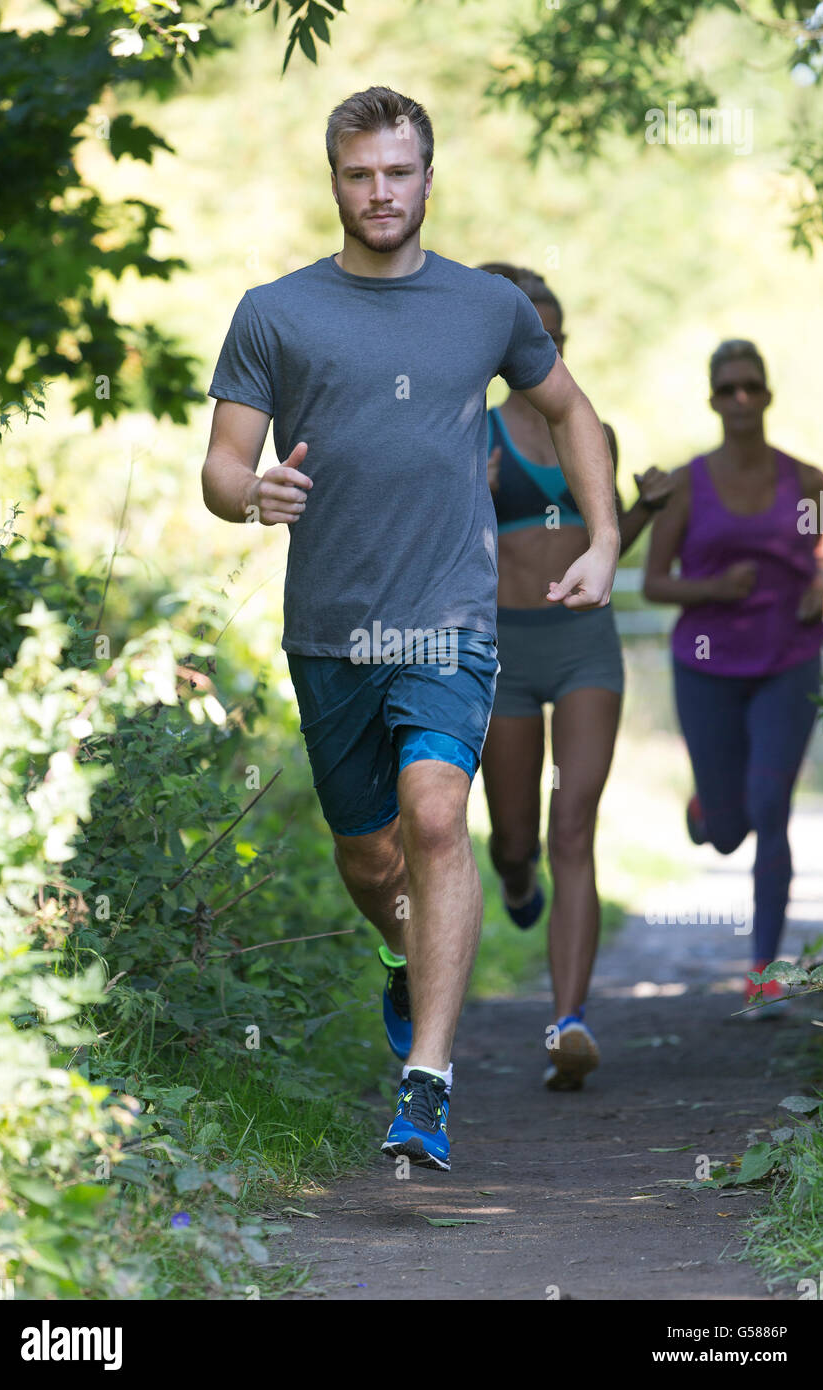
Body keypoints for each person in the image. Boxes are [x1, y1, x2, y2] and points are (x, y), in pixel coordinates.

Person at [201, 86, 619, 1170]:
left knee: (435, 817)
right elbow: (218, 463)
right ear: (333, 179)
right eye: (358, 173)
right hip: (330, 625)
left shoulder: (484, 306)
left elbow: (569, 410)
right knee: (365, 847)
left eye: (397, 171)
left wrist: (604, 539)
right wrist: (253, 495)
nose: (378, 192)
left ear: (429, 178)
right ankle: (403, 952)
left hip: (446, 617)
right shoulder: (274, 311)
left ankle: (424, 1082)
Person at [477, 263, 672, 1088]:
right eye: (532, 332)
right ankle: (514, 878)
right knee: (518, 839)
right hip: (505, 648)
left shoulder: (592, 426)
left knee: (575, 828)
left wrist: (643, 512)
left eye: (556, 333)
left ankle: (568, 1024)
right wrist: (470, 498)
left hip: (584, 644)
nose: (545, 344)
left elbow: (603, 543)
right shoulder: (472, 431)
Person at [644, 340, 823, 1009]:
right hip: (706, 662)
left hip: (789, 658)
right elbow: (656, 583)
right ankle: (706, 809)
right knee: (727, 831)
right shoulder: (690, 485)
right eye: (729, 389)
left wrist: (818, 588)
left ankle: (762, 971)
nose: (742, 398)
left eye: (752, 385)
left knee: (770, 808)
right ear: (713, 400)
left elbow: (815, 551)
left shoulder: (808, 480)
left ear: (769, 393)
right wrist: (718, 588)